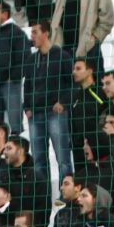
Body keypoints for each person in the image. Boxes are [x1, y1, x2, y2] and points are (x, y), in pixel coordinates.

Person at [25, 20, 76, 194]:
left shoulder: (63, 56)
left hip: (55, 113)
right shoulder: (32, 60)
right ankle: (43, 196)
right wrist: (27, 107)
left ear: (46, 33)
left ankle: (65, 195)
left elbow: (73, 83)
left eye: (35, 32)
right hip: (35, 114)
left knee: (63, 157)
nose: (32, 36)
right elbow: (27, 85)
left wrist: (64, 102)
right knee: (38, 159)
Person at [0, 1, 31, 135]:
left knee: (15, 125)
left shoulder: (17, 33)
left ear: (5, 14)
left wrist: (13, 77)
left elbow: (24, 57)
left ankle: (18, 146)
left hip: (9, 84)